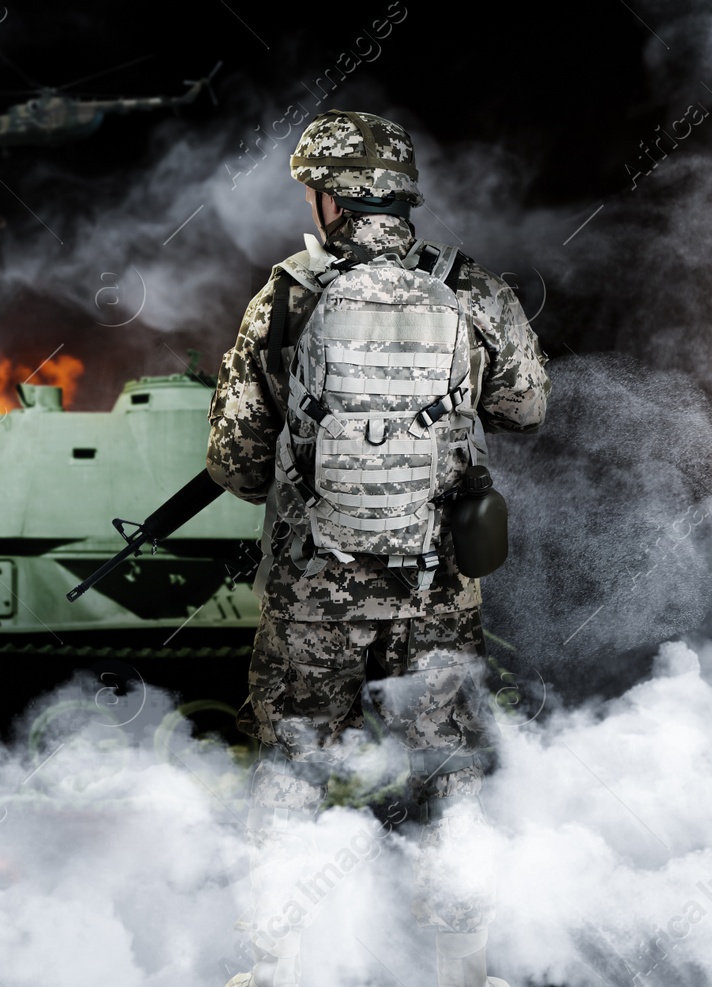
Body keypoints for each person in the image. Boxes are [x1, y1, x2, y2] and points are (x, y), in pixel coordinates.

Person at [207, 109, 549, 987]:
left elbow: (239, 463)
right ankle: (461, 967)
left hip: (313, 590)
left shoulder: (284, 296)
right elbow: (527, 408)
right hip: (439, 588)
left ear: (327, 197)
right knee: (448, 769)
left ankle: (280, 966)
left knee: (293, 764)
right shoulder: (472, 290)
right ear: (401, 195)